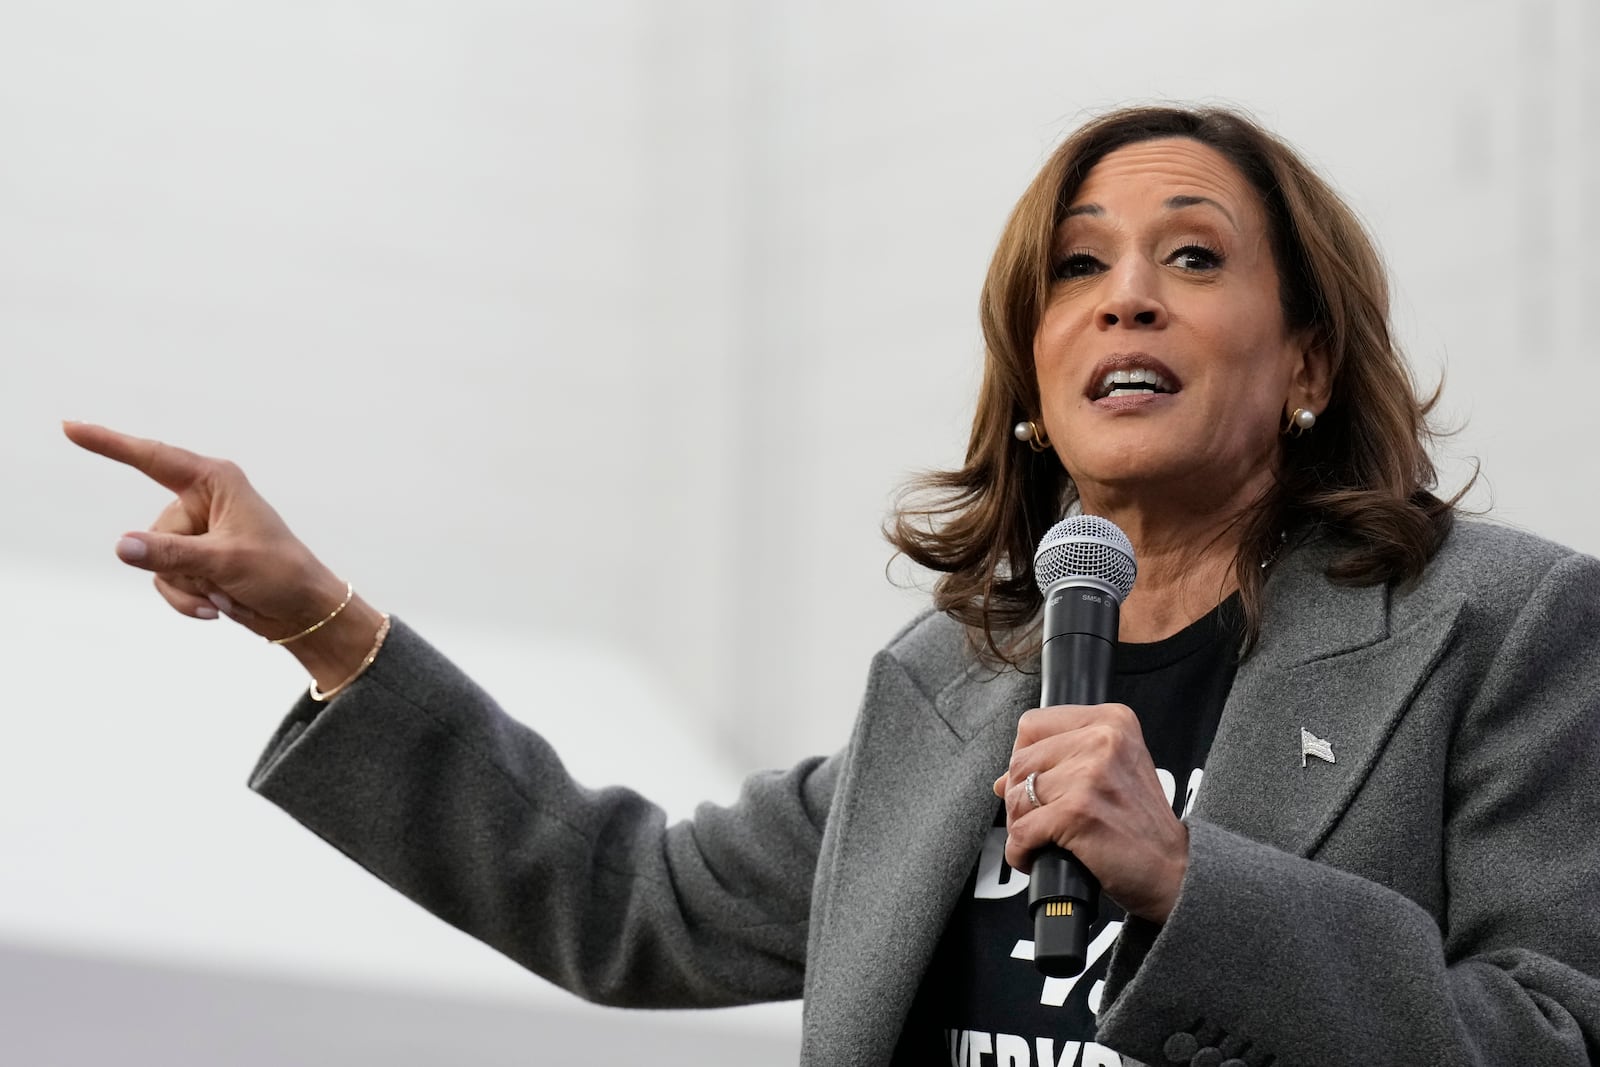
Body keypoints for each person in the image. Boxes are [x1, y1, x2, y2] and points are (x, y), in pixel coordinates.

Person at [66, 105, 1600, 1067]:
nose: (1127, 289)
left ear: (1312, 362)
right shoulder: (949, 685)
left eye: (1193, 257)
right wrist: (319, 617)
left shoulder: (1500, 630)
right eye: (1077, 267)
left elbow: (1554, 1036)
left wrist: (1192, 884)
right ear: (1028, 384)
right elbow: (629, 905)